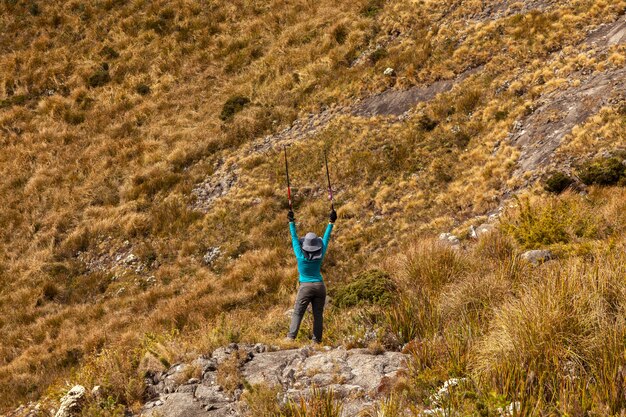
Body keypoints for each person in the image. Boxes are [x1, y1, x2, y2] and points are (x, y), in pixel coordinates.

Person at [286, 207, 337, 343]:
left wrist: (291, 221)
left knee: (298, 312)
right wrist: (331, 222)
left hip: (305, 287)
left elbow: (294, 238)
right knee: (318, 315)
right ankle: (317, 341)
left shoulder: (300, 255)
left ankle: (291, 338)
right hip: (320, 286)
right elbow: (326, 238)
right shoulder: (320, 254)